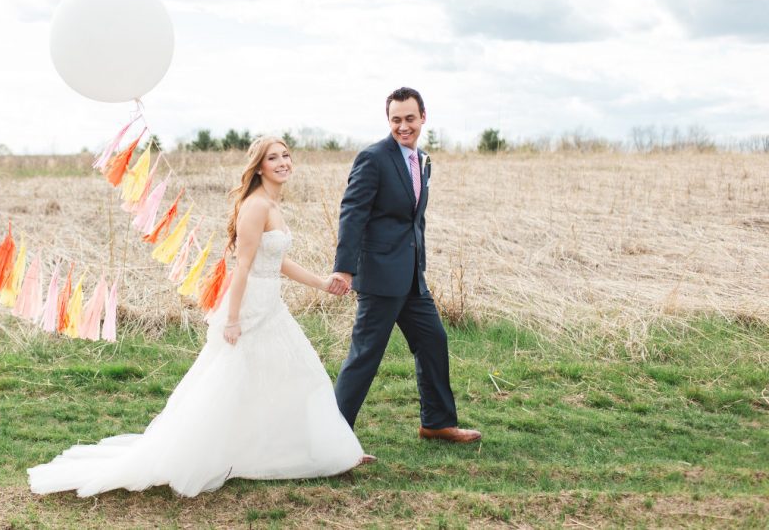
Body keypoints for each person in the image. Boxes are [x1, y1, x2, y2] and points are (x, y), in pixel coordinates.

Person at [28, 136, 373, 498]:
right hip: (251, 306)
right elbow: (241, 267)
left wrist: (321, 283)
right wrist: (234, 319)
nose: (283, 162)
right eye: (274, 158)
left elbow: (275, 261)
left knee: (297, 375)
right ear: (259, 167)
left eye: (286, 155)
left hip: (271, 305)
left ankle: (333, 452)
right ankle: (204, 453)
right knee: (236, 381)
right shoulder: (256, 206)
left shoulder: (272, 204)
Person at [329, 87, 481, 444]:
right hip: (380, 277)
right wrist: (345, 268)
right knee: (365, 356)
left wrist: (419, 263)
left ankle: (437, 423)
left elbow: (413, 220)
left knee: (433, 341)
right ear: (389, 121)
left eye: (409, 118)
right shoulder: (373, 158)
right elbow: (352, 214)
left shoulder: (421, 159)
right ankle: (332, 437)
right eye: (396, 119)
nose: (403, 126)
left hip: (412, 277)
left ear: (423, 117)